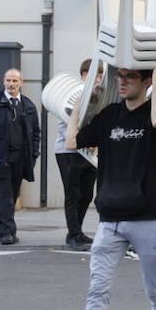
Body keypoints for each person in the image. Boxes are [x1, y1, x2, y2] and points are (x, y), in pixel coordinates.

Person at [63, 55, 156, 310]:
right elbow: (73, 141)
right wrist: (80, 104)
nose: (122, 80)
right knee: (97, 290)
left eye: (131, 76)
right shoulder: (110, 116)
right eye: (121, 76)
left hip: (148, 217)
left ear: (145, 82)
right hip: (110, 219)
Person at [0, 68, 41, 245]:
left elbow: (36, 132)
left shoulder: (28, 105)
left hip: (21, 158)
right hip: (1, 158)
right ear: (3, 82)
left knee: (13, 196)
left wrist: (34, 154)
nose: (11, 84)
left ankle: (4, 230)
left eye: (15, 81)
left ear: (21, 83)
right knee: (5, 196)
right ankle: (7, 233)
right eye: (8, 81)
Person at [56, 59, 101, 251]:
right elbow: (70, 123)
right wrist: (88, 140)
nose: (99, 79)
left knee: (87, 195)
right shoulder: (73, 94)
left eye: (101, 75)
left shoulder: (99, 96)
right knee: (73, 194)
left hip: (89, 154)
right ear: (84, 75)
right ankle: (73, 235)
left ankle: (77, 232)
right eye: (96, 75)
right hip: (69, 151)